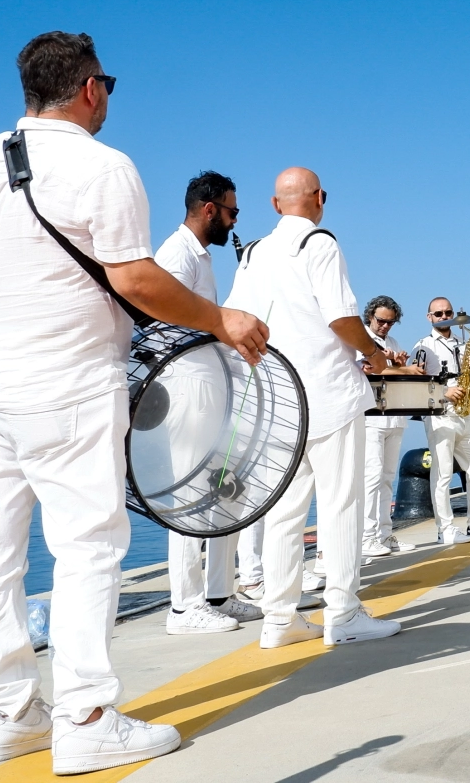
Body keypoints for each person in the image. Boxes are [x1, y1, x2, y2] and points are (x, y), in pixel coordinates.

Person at [0, 32, 269, 772]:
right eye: (107, 83)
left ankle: (10, 716)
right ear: (90, 89)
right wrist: (225, 321)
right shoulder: (103, 166)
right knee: (87, 547)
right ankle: (84, 717)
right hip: (65, 387)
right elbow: (137, 282)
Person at [225, 168, 402, 648]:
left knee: (284, 512)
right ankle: (342, 615)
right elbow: (341, 317)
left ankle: (280, 620)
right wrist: (376, 355)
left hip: (278, 397)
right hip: (328, 394)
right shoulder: (320, 243)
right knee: (341, 503)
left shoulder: (254, 253)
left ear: (275, 204)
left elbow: (236, 318)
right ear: (320, 198)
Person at [153, 171, 265, 633]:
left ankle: (220, 592)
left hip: (214, 385)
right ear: (209, 210)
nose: (235, 222)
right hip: (189, 386)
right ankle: (184, 606)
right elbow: (160, 316)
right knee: (190, 494)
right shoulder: (176, 253)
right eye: (232, 212)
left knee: (226, 489)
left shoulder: (200, 257)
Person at [414, 299, 470, 545]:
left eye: (448, 312)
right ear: (429, 317)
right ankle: (445, 529)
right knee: (443, 473)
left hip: (465, 413)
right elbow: (416, 382)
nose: (444, 316)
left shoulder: (462, 344)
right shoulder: (424, 346)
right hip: (440, 414)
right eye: (439, 313)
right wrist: (444, 392)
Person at [360, 295, 415, 558]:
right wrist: (406, 370)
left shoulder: (391, 342)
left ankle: (383, 534)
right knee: (371, 477)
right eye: (381, 321)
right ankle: (367, 537)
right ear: (370, 316)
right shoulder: (361, 338)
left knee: (386, 478)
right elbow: (371, 369)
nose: (385, 326)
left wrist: (401, 366)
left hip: (394, 415)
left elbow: (390, 371)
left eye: (390, 322)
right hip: (371, 417)